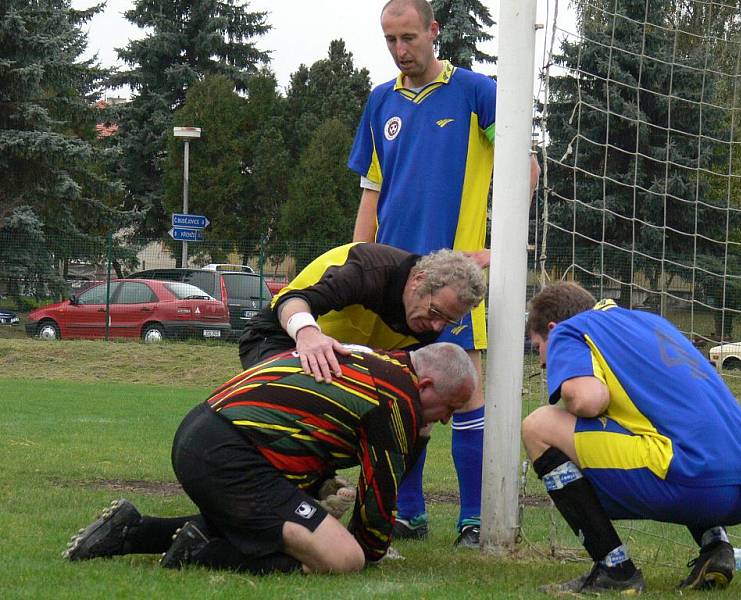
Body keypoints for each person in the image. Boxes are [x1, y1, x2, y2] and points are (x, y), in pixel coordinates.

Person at [347, 0, 541, 548]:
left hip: (454, 284)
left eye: (409, 37)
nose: (400, 50)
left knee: (467, 390)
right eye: (390, 40)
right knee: (403, 392)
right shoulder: (380, 100)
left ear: (434, 31)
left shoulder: (477, 92)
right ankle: (408, 512)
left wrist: (497, 248)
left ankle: (475, 519)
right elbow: (371, 190)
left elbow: (524, 166)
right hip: (393, 283)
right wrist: (358, 261)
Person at [63, 342, 478, 574]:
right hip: (228, 455)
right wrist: (364, 549)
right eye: (450, 408)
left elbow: (306, 430)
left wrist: (316, 490)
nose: (444, 422)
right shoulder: (398, 399)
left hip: (201, 432)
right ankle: (203, 554)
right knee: (343, 557)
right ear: (424, 385)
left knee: (286, 518)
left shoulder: (375, 361)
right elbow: (379, 500)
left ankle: (133, 531)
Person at [522, 281, 741, 594]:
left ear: (552, 327)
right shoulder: (651, 323)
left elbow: (588, 400)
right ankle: (715, 546)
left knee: (538, 426)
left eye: (537, 348)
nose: (543, 362)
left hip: (694, 483)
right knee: (664, 432)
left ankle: (615, 570)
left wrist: (574, 391)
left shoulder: (571, 330)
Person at [238, 242, 485, 378]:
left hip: (339, 355)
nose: (437, 327)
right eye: (436, 312)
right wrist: (308, 334)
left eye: (448, 322)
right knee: (301, 399)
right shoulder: (369, 271)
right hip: (276, 336)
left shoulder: (431, 317)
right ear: (418, 280)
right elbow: (292, 300)